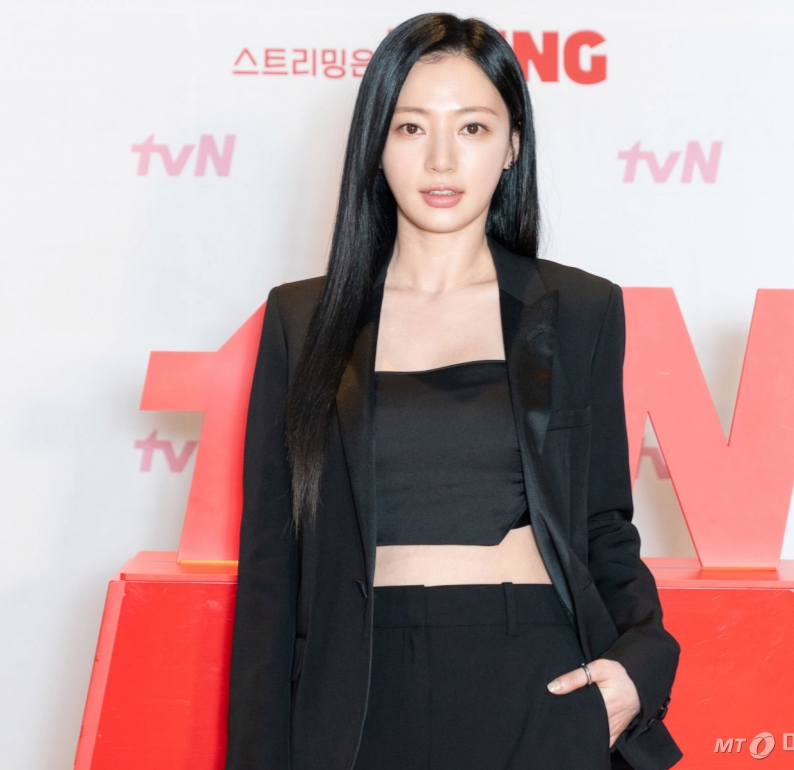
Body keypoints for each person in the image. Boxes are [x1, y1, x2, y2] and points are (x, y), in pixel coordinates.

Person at [224, 13, 681, 770]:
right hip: (357, 693)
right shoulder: (301, 320)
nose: (441, 158)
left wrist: (638, 668)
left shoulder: (581, 309)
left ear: (512, 145)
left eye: (472, 127)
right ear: (375, 144)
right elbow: (273, 567)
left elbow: (604, 525)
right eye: (410, 127)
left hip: (536, 680)